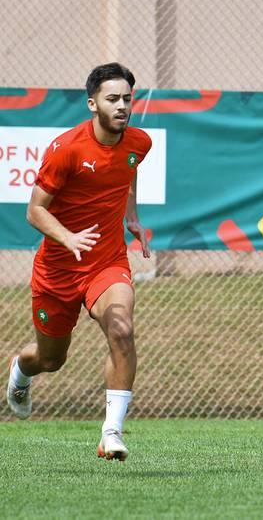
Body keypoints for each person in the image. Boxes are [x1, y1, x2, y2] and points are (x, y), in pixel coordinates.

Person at [6, 62, 152, 461]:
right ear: (92, 104)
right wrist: (67, 237)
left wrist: (132, 216)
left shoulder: (139, 142)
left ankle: (112, 432)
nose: (122, 105)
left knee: (121, 329)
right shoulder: (66, 148)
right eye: (112, 99)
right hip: (57, 270)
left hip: (106, 262)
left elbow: (128, 173)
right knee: (51, 359)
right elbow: (34, 210)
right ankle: (20, 370)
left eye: (127, 98)